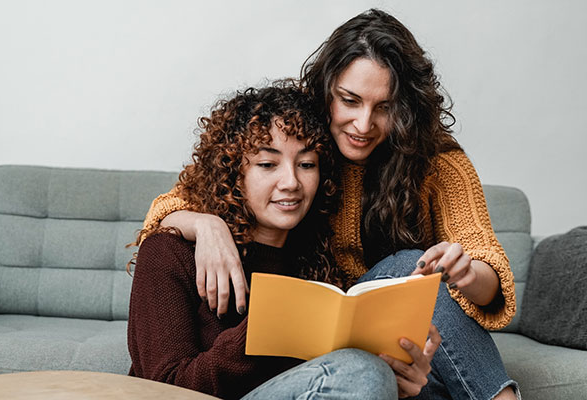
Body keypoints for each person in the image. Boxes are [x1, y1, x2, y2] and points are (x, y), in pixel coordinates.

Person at [137, 9, 519, 400]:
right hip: (329, 349)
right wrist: (204, 225)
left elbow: (489, 268)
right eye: (350, 100)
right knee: (367, 361)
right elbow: (184, 199)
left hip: (367, 331)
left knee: (410, 286)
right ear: (327, 91)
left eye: (384, 107)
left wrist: (465, 273)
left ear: (406, 108)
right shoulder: (300, 130)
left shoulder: (435, 163)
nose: (363, 124)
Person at [128, 82, 441, 400]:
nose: (291, 182)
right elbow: (162, 387)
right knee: (362, 370)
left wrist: (399, 382)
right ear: (234, 173)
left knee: (410, 384)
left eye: (306, 165)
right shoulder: (170, 251)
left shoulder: (316, 264)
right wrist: (269, 328)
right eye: (267, 164)